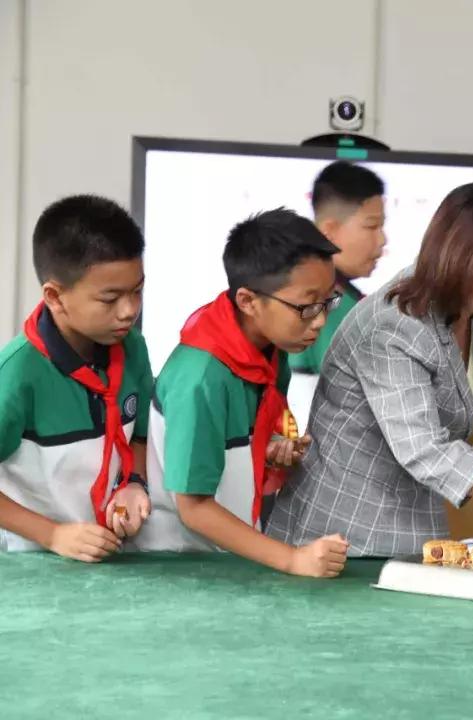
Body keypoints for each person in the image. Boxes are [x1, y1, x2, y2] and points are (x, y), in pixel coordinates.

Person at [266, 183, 473, 555]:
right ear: (457, 265)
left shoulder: (466, 307)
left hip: (406, 531)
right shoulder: (395, 325)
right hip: (342, 538)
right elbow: (424, 451)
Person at [144, 209, 348, 578]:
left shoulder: (269, 348)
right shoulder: (201, 379)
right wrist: (292, 559)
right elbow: (194, 508)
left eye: (327, 302)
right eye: (307, 306)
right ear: (248, 301)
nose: (319, 320)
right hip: (180, 564)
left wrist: (268, 446)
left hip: (228, 555)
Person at [0, 195, 152, 559]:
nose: (129, 310)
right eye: (110, 298)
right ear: (54, 296)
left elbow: (139, 437)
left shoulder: (133, 349)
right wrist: (51, 535)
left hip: (107, 558)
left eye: (137, 290)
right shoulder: (18, 374)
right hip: (30, 564)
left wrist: (134, 483)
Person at [287, 161, 386, 429]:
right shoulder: (317, 305)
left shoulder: (347, 300)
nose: (382, 240)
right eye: (371, 226)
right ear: (329, 231)